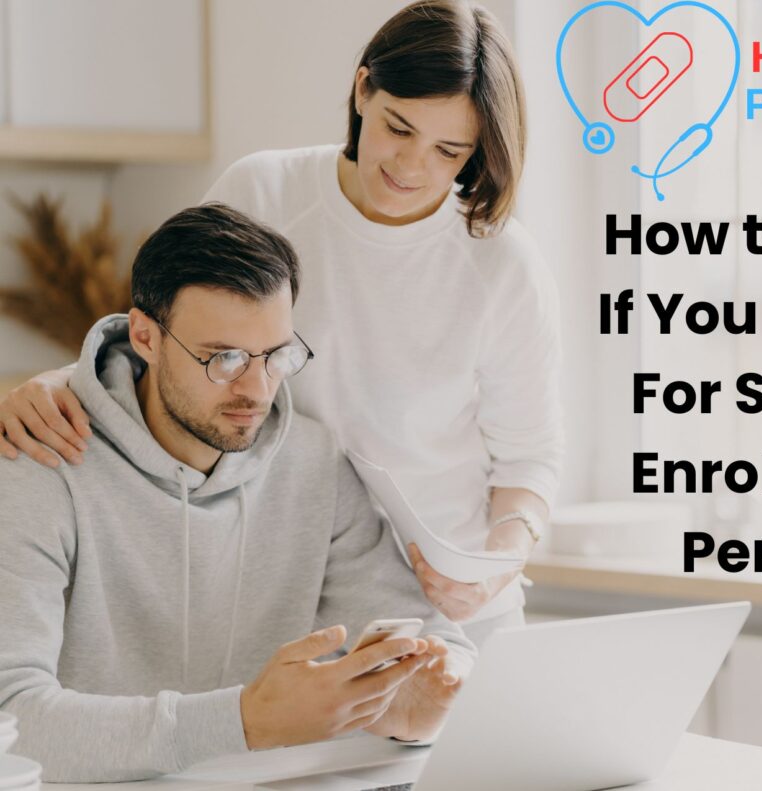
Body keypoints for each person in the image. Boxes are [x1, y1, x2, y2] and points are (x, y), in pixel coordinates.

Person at [0, 0, 563, 646]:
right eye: (398, 127)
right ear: (362, 89)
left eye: (448, 151)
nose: (411, 167)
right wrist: (63, 383)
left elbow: (530, 458)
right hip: (290, 600)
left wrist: (493, 567)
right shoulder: (265, 193)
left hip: (449, 617)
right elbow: (174, 335)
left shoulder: (501, 265)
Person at [0, 204, 474, 783]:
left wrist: (419, 709)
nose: (256, 389)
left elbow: (436, 644)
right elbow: (11, 721)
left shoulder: (313, 462)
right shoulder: (39, 464)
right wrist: (244, 722)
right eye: (223, 358)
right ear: (146, 336)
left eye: (276, 356)